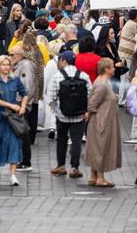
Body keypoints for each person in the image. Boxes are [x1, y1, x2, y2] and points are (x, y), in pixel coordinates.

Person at [48, 51, 91, 179]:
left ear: (64, 61)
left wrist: (57, 110)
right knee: (76, 141)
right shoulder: (83, 75)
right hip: (79, 115)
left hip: (62, 115)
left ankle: (61, 166)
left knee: (61, 140)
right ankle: (75, 168)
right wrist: (86, 111)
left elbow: (51, 98)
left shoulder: (57, 76)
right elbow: (90, 94)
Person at [85, 58, 122, 188]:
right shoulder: (102, 84)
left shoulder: (104, 82)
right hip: (102, 120)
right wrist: (98, 115)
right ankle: (100, 178)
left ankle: (94, 176)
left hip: (102, 119)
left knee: (97, 147)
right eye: (112, 66)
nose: (114, 68)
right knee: (101, 148)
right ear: (106, 69)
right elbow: (92, 103)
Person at [0, 56, 27, 186]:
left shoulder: (15, 80)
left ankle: (12, 175)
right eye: (3, 64)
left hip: (13, 118)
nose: (6, 67)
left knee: (14, 144)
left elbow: (25, 93)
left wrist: (23, 106)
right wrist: (11, 105)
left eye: (8, 64)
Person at [18, 32, 44, 171]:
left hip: (27, 86)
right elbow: (40, 70)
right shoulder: (38, 51)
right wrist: (41, 88)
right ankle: (32, 137)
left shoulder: (24, 53)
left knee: (28, 113)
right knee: (34, 111)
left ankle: (28, 136)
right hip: (36, 84)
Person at [118, 10, 137, 105]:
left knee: (125, 77)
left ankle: (123, 99)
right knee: (126, 77)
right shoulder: (133, 25)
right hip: (126, 54)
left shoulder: (129, 23)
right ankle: (122, 100)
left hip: (123, 52)